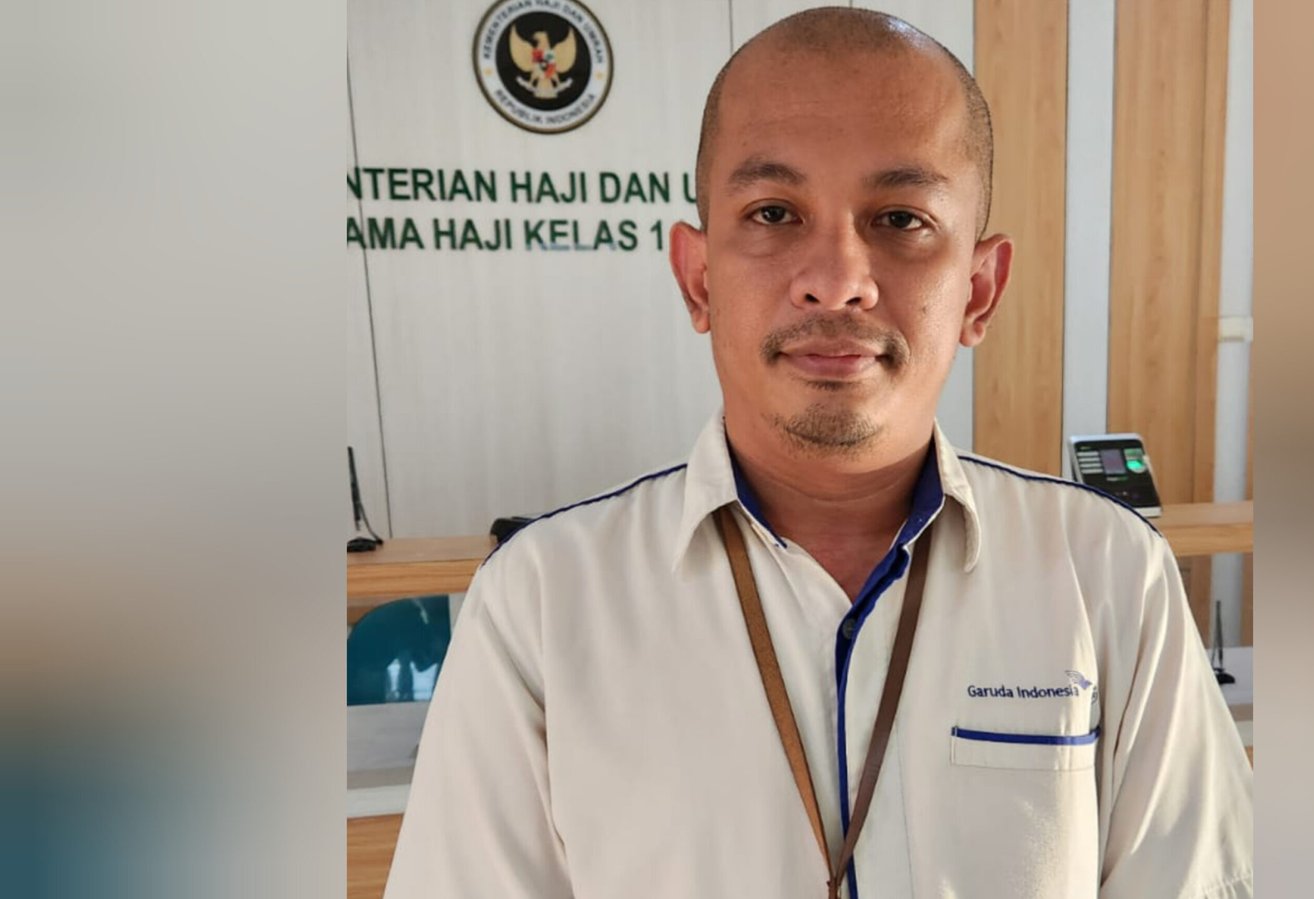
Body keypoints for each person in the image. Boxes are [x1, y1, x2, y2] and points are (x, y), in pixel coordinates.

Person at [385, 7, 1253, 898]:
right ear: (698, 277)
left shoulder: (1110, 576)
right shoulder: (541, 603)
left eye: (901, 218)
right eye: (773, 212)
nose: (837, 280)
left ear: (979, 291)